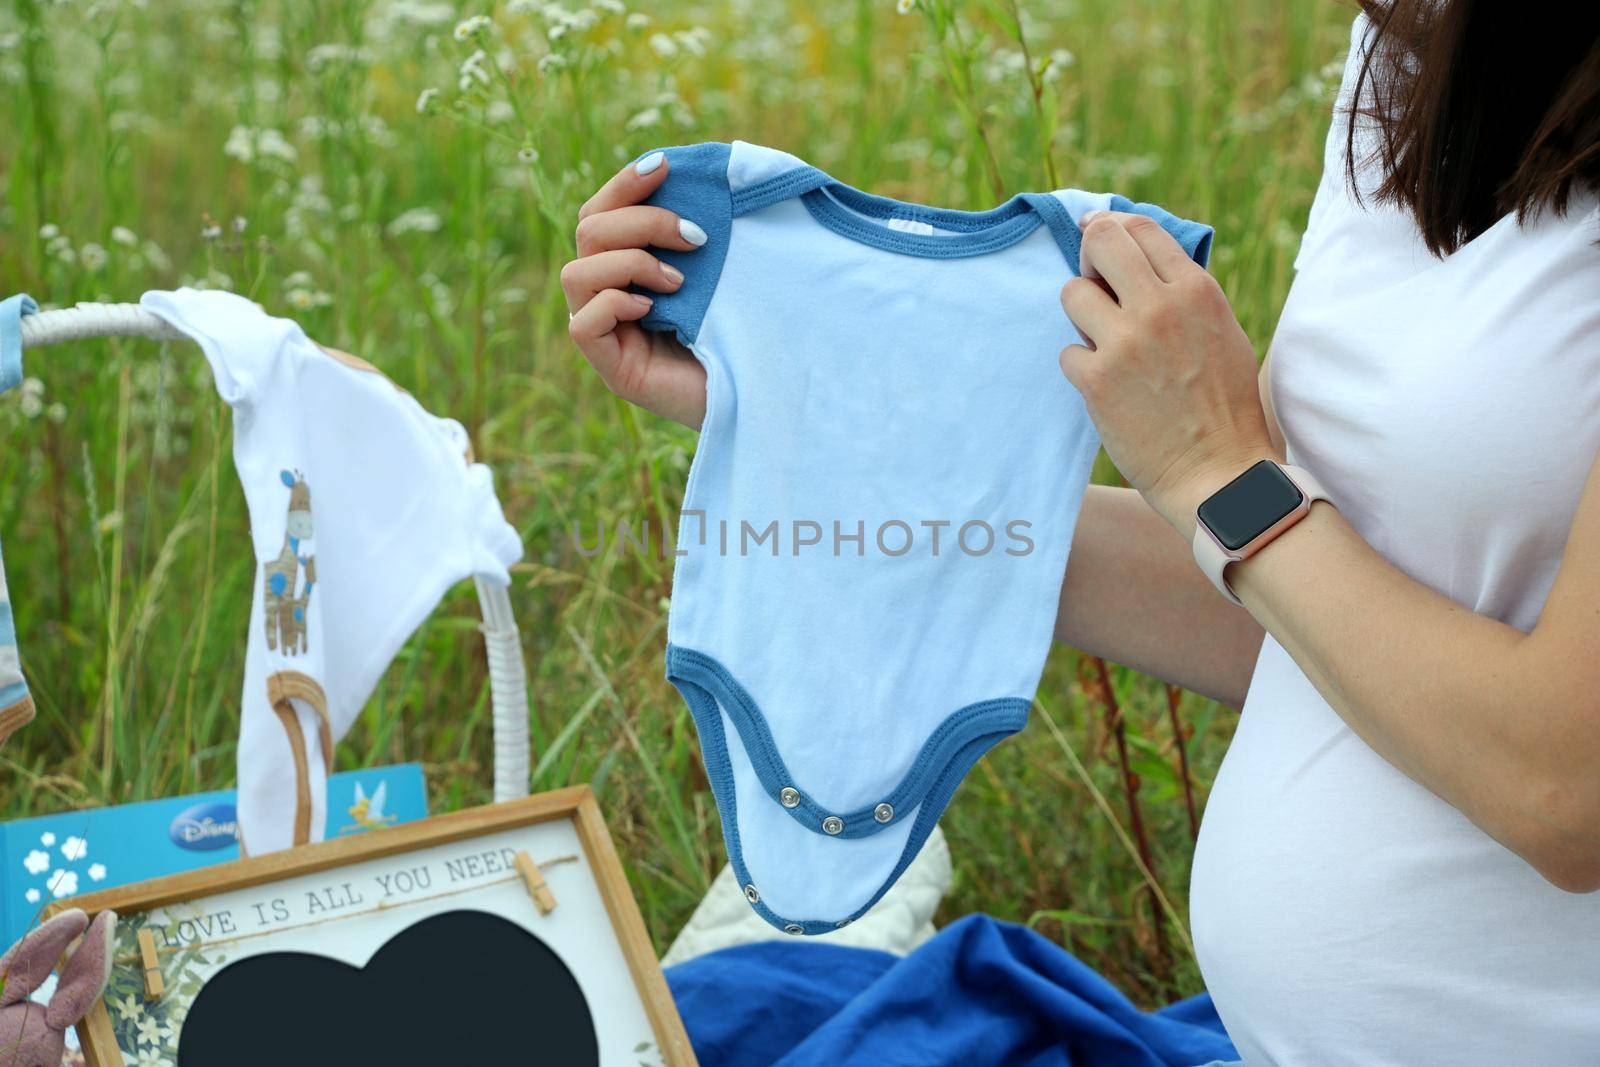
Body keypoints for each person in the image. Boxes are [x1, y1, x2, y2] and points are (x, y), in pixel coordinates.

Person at [560, 3, 1600, 1061]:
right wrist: (815, 429)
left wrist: (1216, 471)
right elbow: (1298, 609)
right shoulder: (1418, 47)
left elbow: (1565, 793)